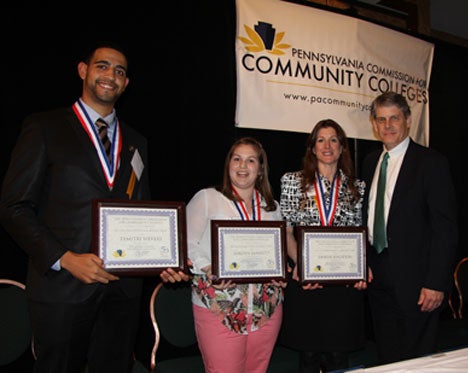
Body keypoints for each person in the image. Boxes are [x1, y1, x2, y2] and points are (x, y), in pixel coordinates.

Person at [0, 41, 190, 373]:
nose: (111, 76)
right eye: (102, 66)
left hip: (122, 292)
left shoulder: (137, 141)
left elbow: (142, 215)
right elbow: (14, 207)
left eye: (120, 71)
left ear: (126, 84)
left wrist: (161, 260)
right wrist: (65, 259)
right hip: (63, 290)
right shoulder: (44, 127)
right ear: (83, 70)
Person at [361, 91, 458, 364]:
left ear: (408, 120)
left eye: (394, 118)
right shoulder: (370, 162)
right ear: (374, 124)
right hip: (377, 276)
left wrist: (436, 283)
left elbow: (445, 228)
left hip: (418, 283)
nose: (387, 125)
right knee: (388, 356)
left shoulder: (432, 163)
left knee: (418, 360)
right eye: (381, 119)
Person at [186, 136, 287, 373]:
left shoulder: (272, 208)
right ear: (228, 164)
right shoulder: (208, 198)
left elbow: (277, 253)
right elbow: (184, 243)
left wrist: (281, 273)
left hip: (266, 310)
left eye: (251, 160)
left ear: (260, 170)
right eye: (237, 159)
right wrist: (208, 266)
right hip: (219, 306)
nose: (243, 166)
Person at [279, 119, 370, 373]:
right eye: (320, 140)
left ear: (342, 148)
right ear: (312, 147)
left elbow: (359, 234)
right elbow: (286, 230)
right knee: (307, 357)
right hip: (306, 280)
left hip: (343, 283)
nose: (327, 145)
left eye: (333, 140)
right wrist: (301, 263)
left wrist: (363, 267)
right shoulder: (291, 182)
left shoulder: (357, 187)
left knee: (338, 358)